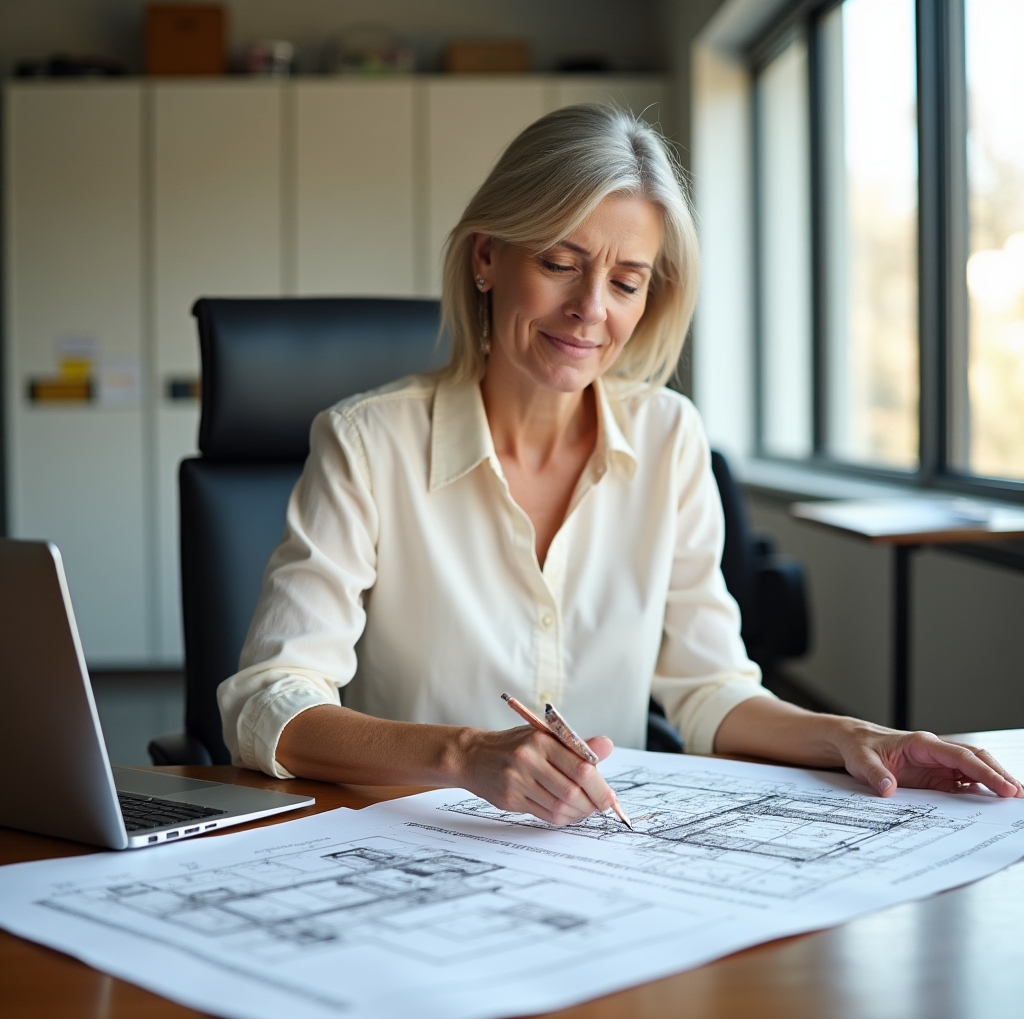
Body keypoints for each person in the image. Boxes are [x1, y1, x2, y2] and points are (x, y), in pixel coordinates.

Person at [218, 105, 1021, 825]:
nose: (591, 310)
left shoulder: (671, 439)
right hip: (409, 847)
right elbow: (270, 701)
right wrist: (467, 755)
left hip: (599, 866)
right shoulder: (367, 443)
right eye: (561, 264)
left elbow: (710, 692)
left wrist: (856, 737)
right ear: (487, 258)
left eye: (627, 282)